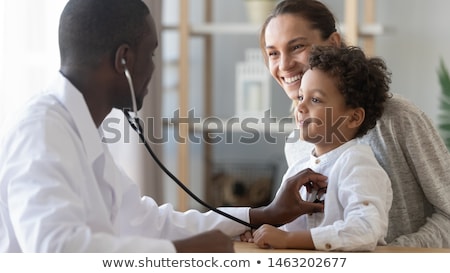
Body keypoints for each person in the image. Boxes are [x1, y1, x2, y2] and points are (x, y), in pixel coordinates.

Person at [0, 0, 329, 253]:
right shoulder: (41, 130)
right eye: (152, 53)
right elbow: (55, 251)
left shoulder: (80, 130)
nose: (155, 68)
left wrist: (266, 213)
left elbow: (149, 222)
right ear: (124, 60)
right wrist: (180, 252)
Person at [257, 0, 450, 248]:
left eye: (297, 47)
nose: (283, 65)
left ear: (333, 43)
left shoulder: (397, 117)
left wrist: (391, 255)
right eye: (273, 52)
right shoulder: (299, 142)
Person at [253, 45, 393, 251]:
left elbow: (365, 230)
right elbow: (280, 228)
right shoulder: (297, 170)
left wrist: (287, 239)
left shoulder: (358, 165)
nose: (300, 107)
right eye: (301, 97)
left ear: (354, 117)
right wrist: (261, 232)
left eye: (315, 100)